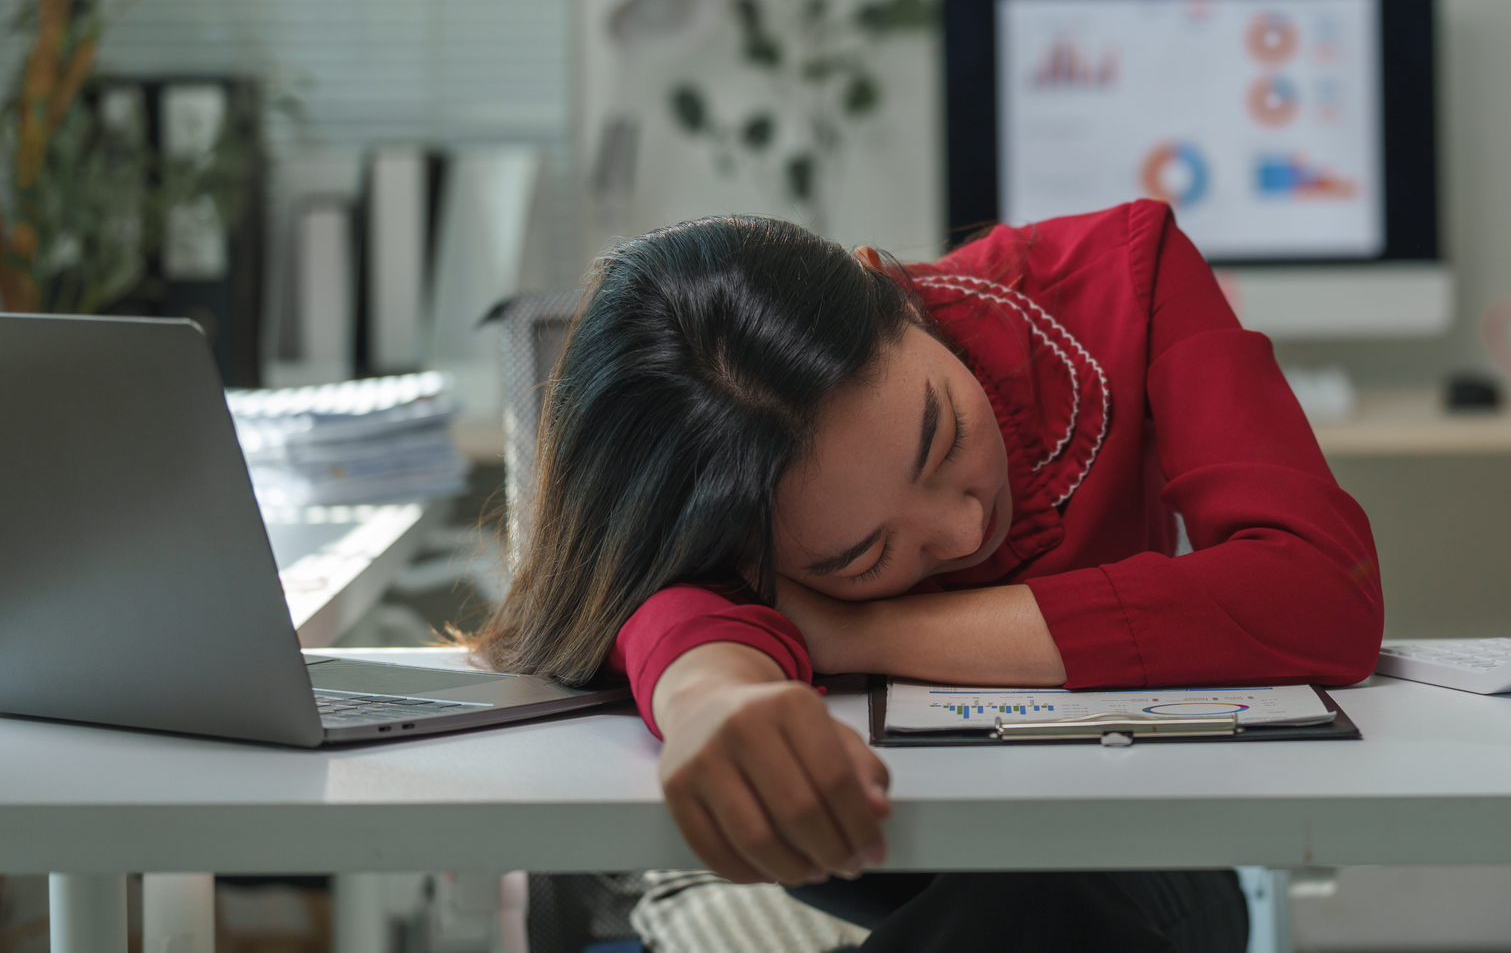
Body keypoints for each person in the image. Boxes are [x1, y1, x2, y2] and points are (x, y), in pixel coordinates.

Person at [474, 199, 1383, 953]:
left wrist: (858, 627)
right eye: (864, 558)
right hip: (882, 851)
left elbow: (1316, 593)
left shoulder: (1123, 275)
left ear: (891, 287)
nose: (960, 530)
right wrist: (712, 695)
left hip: (1133, 847)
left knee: (1034, 907)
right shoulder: (736, 515)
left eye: (943, 436)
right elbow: (663, 609)